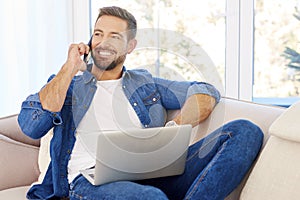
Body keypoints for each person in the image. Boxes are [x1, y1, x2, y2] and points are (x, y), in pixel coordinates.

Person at [18, 6, 263, 200]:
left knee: (244, 131)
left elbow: (204, 91)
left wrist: (174, 126)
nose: (103, 43)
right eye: (98, 34)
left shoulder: (145, 83)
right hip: (88, 182)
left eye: (115, 36)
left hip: (153, 173)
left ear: (130, 46)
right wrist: (69, 68)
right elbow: (31, 126)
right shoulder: (67, 84)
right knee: (150, 197)